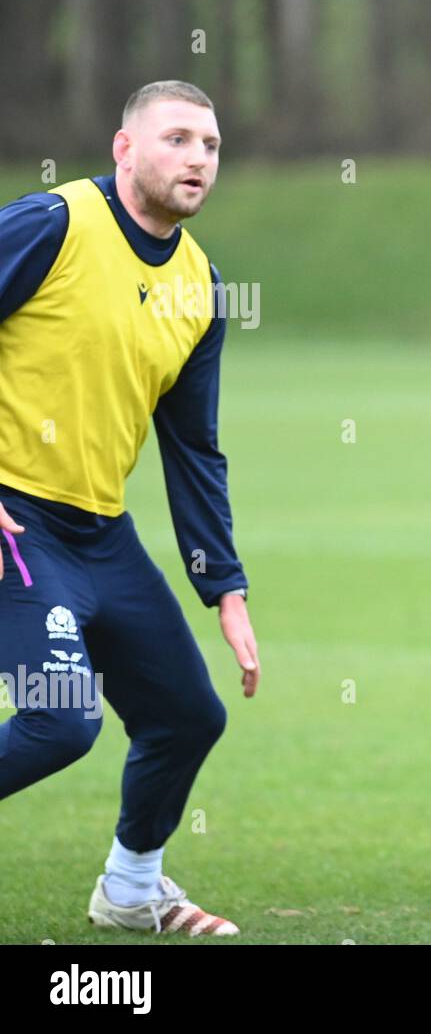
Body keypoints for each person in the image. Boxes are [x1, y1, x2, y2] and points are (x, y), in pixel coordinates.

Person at [0, 80, 260, 937]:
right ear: (124, 150)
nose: (197, 160)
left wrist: (224, 586)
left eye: (211, 146)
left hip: (100, 533)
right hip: (14, 518)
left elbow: (193, 447)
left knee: (189, 716)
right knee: (57, 721)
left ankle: (131, 888)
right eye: (178, 139)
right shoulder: (54, 224)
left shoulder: (200, 287)